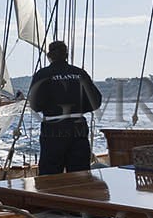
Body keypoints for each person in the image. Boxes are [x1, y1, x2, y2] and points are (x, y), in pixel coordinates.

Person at [27, 41, 103, 174]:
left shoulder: (42, 74)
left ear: (49, 55)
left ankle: (50, 194)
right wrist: (78, 109)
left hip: (53, 127)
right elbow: (96, 101)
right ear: (67, 55)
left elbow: (35, 104)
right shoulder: (80, 73)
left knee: (50, 173)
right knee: (80, 173)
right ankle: (78, 194)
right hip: (78, 126)